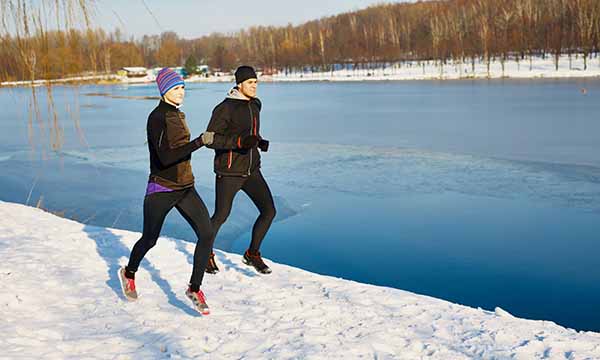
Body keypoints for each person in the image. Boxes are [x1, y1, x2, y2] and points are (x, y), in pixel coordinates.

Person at [118, 67, 215, 315]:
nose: (181, 92)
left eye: (182, 87)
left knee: (207, 233)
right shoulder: (157, 117)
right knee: (150, 239)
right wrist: (198, 142)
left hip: (185, 187)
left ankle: (195, 288)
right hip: (162, 187)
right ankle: (129, 272)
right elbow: (164, 158)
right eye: (175, 88)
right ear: (164, 91)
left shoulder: (177, 114)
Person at [204, 65, 276, 275]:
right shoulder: (225, 108)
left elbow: (250, 133)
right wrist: (240, 142)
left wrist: (258, 142)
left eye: (256, 83)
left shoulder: (255, 105)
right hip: (229, 172)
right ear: (239, 84)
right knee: (221, 216)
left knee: (269, 211)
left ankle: (252, 254)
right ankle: (205, 253)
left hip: (252, 170)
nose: (254, 87)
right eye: (250, 83)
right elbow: (210, 139)